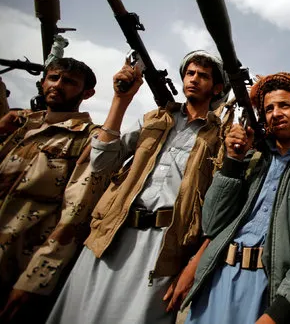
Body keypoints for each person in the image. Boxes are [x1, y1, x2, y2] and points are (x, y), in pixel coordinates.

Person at [47, 50, 230, 324]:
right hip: (113, 232)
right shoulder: (154, 119)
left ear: (216, 87)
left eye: (202, 76)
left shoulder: (222, 137)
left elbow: (220, 207)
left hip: (164, 245)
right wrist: (121, 100)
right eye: (190, 73)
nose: (193, 79)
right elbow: (101, 163)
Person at [173, 72, 290, 324]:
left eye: (284, 105)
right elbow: (213, 224)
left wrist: (282, 308)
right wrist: (232, 161)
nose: (275, 113)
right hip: (219, 279)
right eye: (269, 108)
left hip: (268, 290)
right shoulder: (252, 158)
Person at [0, 58, 101, 323]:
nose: (58, 85)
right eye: (53, 78)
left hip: (18, 264)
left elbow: (75, 214)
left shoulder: (88, 138)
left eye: (69, 82)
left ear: (86, 93)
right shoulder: (19, 125)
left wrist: (36, 280)